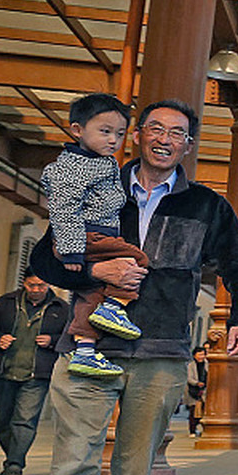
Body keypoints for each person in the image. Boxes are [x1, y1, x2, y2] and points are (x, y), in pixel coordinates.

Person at [29, 99, 238, 475]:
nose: (163, 138)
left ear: (187, 145)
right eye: (154, 128)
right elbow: (45, 256)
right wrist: (95, 274)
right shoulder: (98, 185)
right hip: (90, 344)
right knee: (74, 458)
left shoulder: (207, 206)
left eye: (176, 132)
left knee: (134, 468)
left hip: (160, 350)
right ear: (137, 137)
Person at [41, 93, 146, 379]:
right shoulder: (72, 167)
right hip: (88, 235)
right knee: (136, 257)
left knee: (91, 293)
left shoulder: (102, 161)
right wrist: (72, 250)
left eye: (120, 134)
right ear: (77, 130)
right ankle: (114, 306)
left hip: (94, 233)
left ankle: (85, 350)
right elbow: (64, 209)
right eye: (105, 131)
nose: (113, 140)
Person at [0, 275, 70, 475]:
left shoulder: (61, 308)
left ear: (49, 285)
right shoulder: (6, 302)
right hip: (5, 370)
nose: (37, 289)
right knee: (3, 421)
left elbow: (71, 336)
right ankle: (12, 458)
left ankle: (14, 465)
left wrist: (53, 340)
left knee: (25, 420)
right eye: (32, 285)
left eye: (42, 285)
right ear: (24, 283)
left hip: (37, 375)